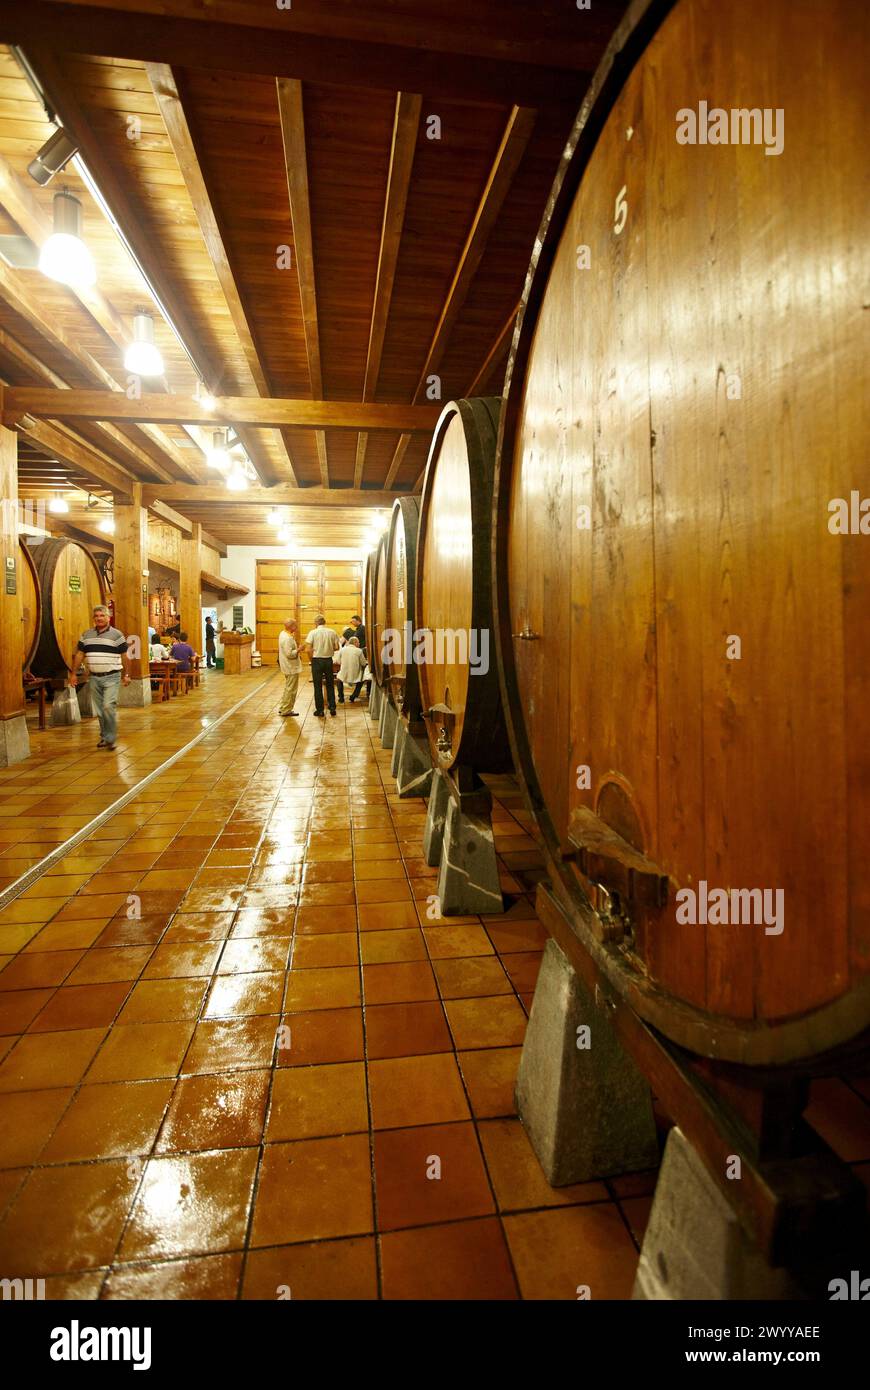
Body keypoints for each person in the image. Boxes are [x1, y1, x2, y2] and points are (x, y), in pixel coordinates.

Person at [69, 604, 132, 751]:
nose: (99, 618)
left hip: (112, 676)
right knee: (100, 710)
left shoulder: (116, 635)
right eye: (96, 616)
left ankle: (111, 737)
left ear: (108, 618)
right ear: (93, 618)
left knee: (108, 706)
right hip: (94, 677)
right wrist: (73, 673)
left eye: (102, 615)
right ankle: (105, 736)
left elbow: (125, 655)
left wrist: (127, 674)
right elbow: (80, 654)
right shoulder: (86, 635)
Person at [304, 614, 339, 717]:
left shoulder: (313, 633)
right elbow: (337, 647)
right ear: (324, 622)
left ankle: (320, 710)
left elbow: (308, 649)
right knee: (330, 684)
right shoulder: (332, 632)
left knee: (317, 685)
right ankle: (332, 707)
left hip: (317, 660)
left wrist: (312, 660)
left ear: (316, 623)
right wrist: (328, 649)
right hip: (328, 660)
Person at [278, 618, 301, 717]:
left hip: (287, 665)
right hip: (290, 666)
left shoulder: (283, 633)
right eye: (295, 625)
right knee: (291, 689)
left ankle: (283, 707)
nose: (297, 626)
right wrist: (299, 649)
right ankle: (286, 710)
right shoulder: (287, 638)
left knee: (288, 687)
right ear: (291, 626)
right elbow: (289, 654)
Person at [336, 636, 369, 704]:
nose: (359, 644)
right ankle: (353, 696)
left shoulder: (342, 650)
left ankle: (341, 697)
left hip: (344, 674)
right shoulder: (359, 651)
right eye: (358, 642)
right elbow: (363, 663)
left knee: (339, 679)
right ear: (355, 642)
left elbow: (338, 661)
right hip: (355, 674)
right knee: (362, 680)